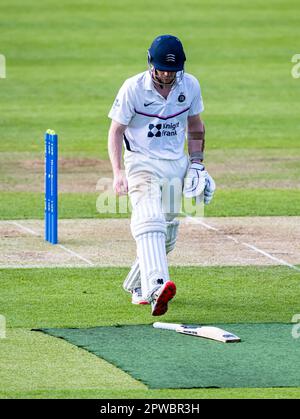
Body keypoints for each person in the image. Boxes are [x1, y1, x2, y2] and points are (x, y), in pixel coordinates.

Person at [108, 34, 215, 316]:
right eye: (162, 69)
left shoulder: (189, 85)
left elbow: (195, 126)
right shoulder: (133, 88)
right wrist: (118, 171)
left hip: (174, 165)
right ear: (150, 63)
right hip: (141, 163)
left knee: (166, 236)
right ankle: (157, 288)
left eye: (173, 70)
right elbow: (116, 131)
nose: (167, 75)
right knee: (149, 219)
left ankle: (136, 285)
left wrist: (197, 164)